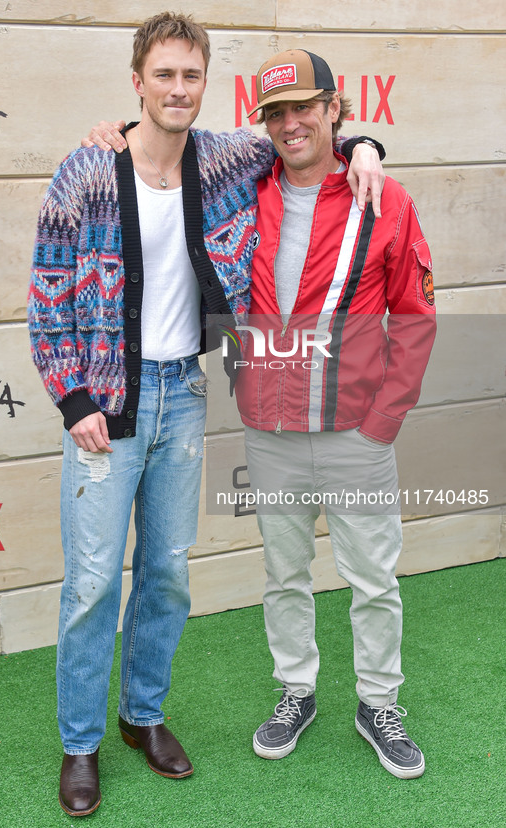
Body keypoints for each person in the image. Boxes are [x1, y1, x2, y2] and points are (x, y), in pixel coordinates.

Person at [29, 13, 385, 816]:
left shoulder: (227, 158)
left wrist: (365, 147)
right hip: (104, 406)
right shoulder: (86, 171)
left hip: (181, 396)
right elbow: (46, 294)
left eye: (191, 76)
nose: (178, 89)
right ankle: (80, 742)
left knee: (164, 574)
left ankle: (141, 718)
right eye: (164, 75)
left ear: (204, 84)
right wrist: (73, 397)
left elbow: (308, 141)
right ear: (138, 83)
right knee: (90, 583)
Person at [232, 49, 436, 779]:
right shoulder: (242, 190)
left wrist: (383, 419)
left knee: (372, 580)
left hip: (354, 430)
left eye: (304, 108)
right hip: (270, 431)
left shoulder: (382, 197)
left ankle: (377, 702)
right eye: (276, 112)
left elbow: (414, 319)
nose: (291, 124)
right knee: (284, 575)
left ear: (332, 109)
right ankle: (297, 690)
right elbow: (173, 142)